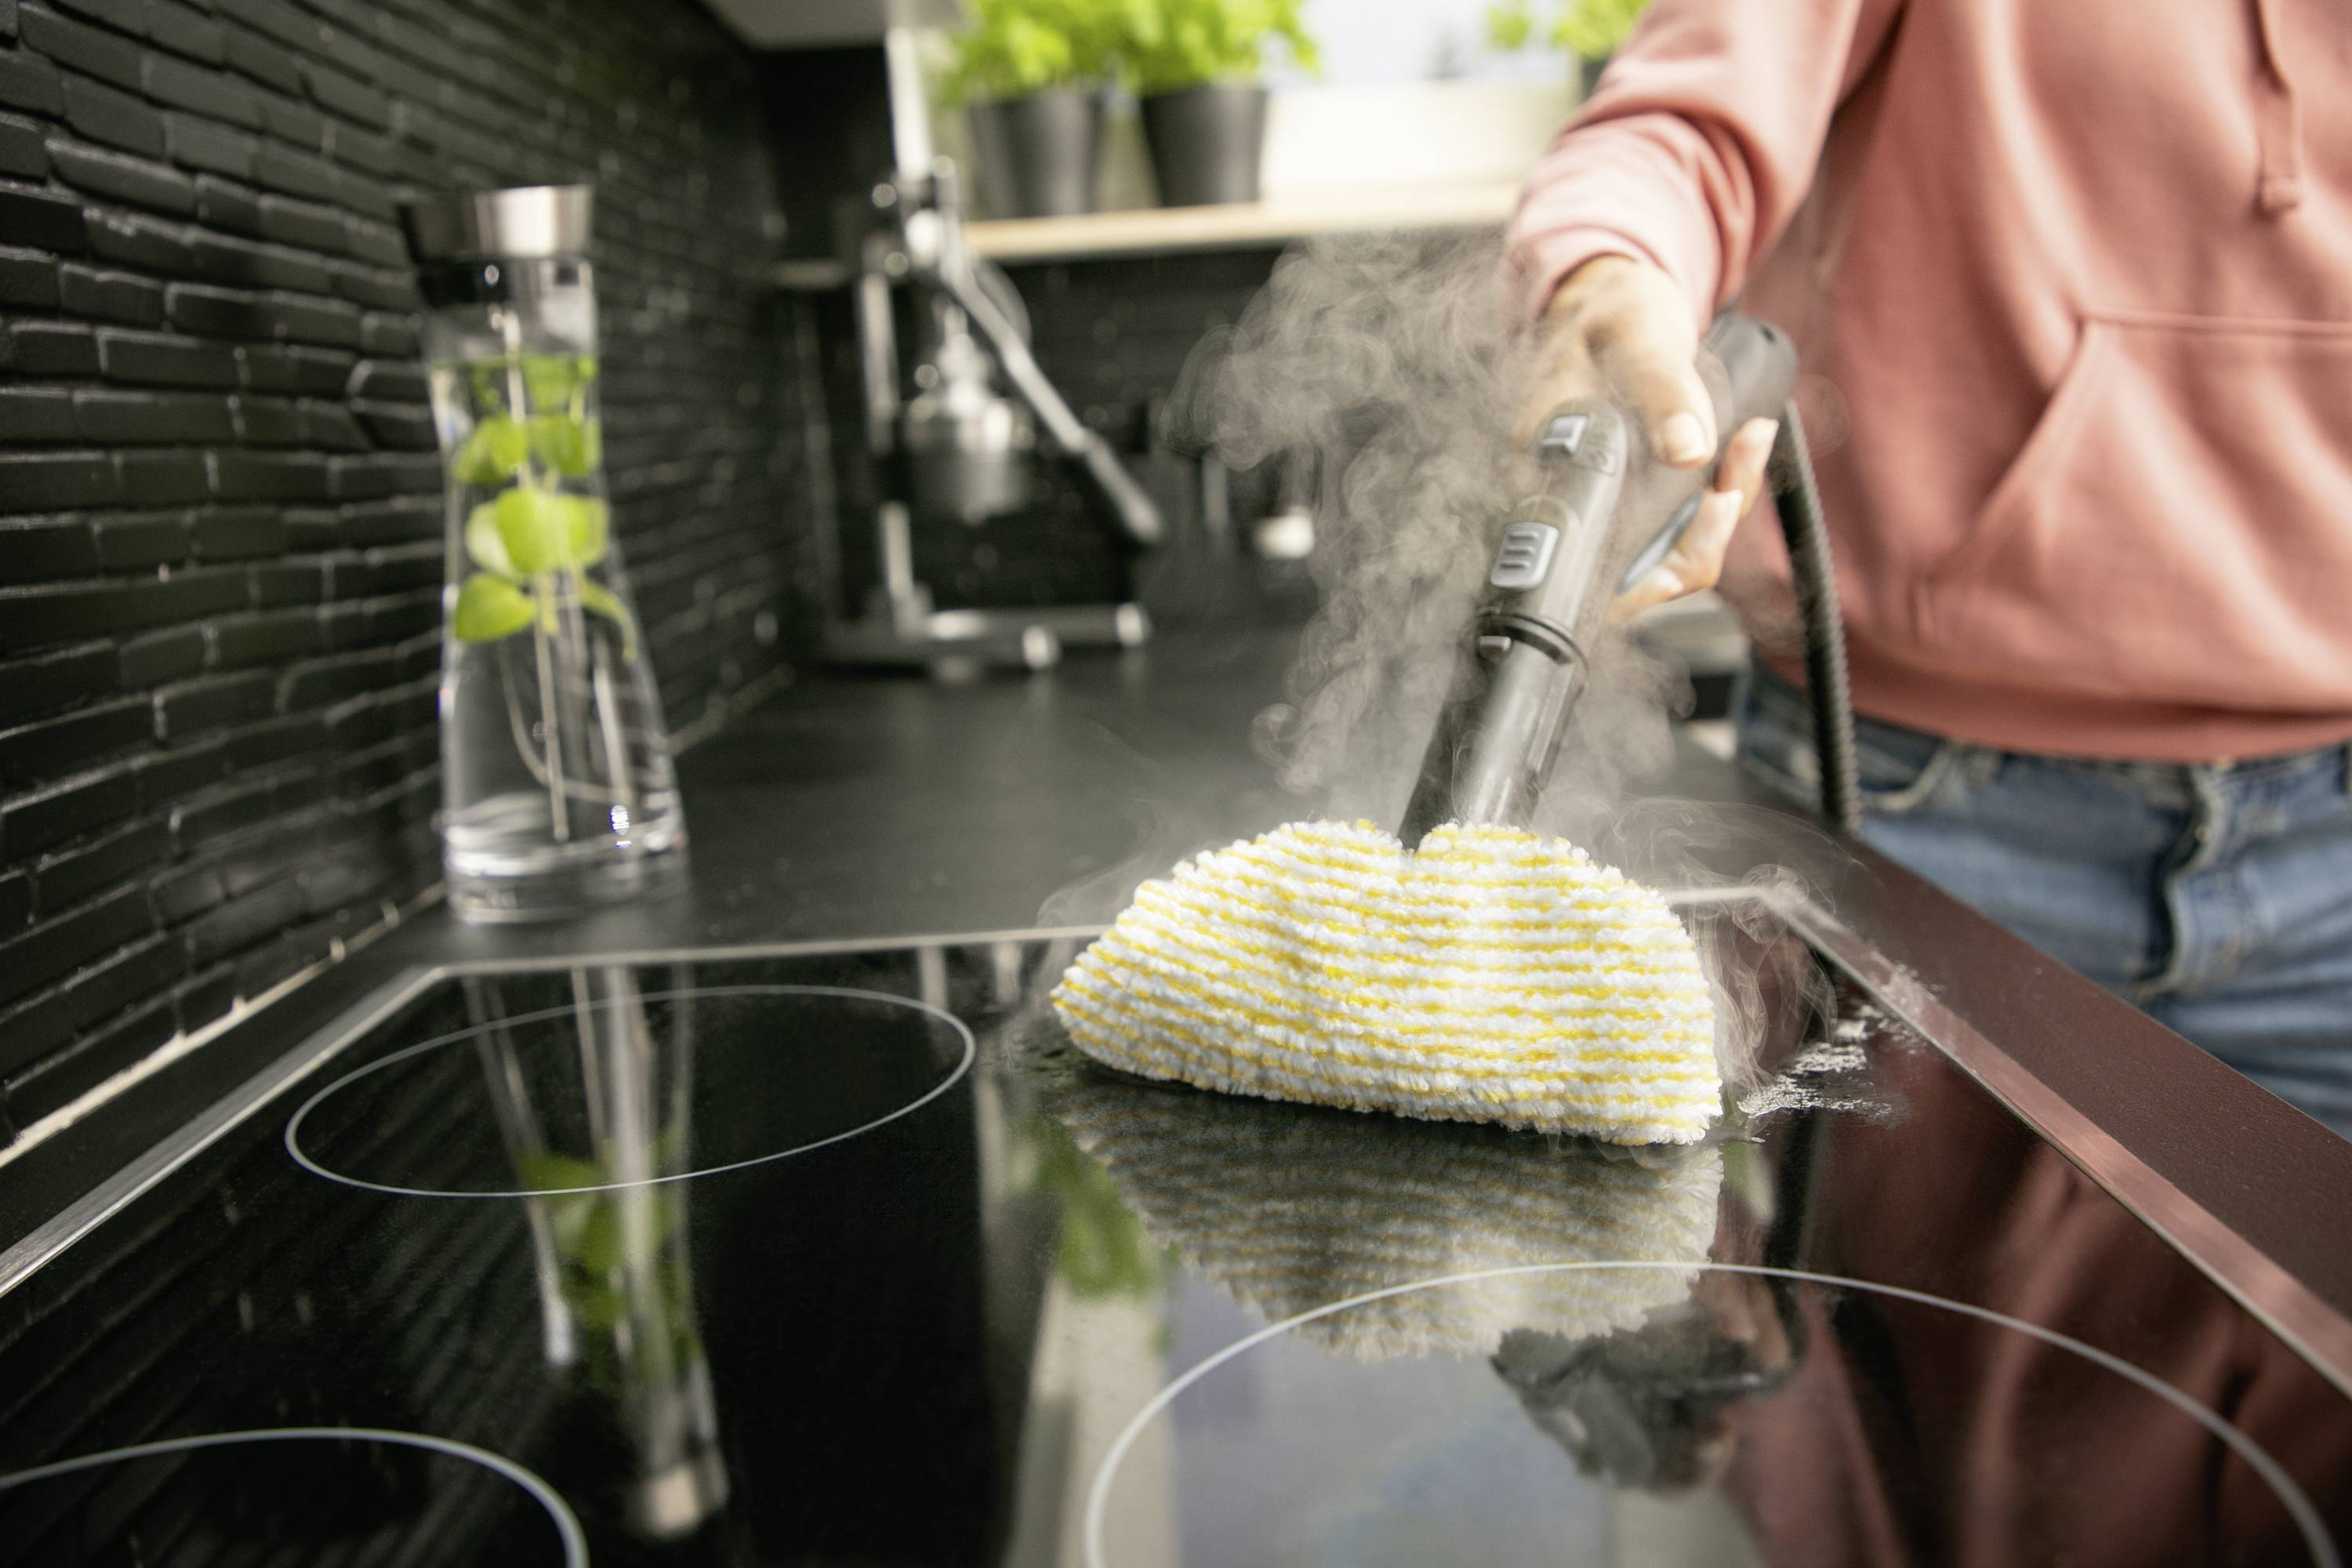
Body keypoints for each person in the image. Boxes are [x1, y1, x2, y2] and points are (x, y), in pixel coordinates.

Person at [1507, 0, 2352, 1138]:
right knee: (1869, 1312)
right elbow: (1682, 128)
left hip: (2337, 860)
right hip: (1920, 823)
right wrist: (1609, 276)